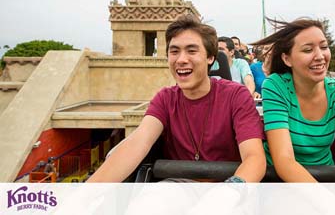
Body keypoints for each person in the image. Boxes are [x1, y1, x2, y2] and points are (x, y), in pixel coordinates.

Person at [87, 14, 266, 183]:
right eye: (174, 52)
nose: (181, 59)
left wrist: (229, 192)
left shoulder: (236, 96)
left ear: (210, 57)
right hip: (177, 188)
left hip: (228, 187)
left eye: (191, 51)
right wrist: (82, 196)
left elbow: (254, 158)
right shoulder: (165, 99)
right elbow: (136, 144)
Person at [251, 18, 335, 182]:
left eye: (324, 47)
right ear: (287, 59)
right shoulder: (276, 86)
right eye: (308, 50)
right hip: (282, 180)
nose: (320, 56)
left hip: (324, 175)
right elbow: (284, 159)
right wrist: (331, 204)